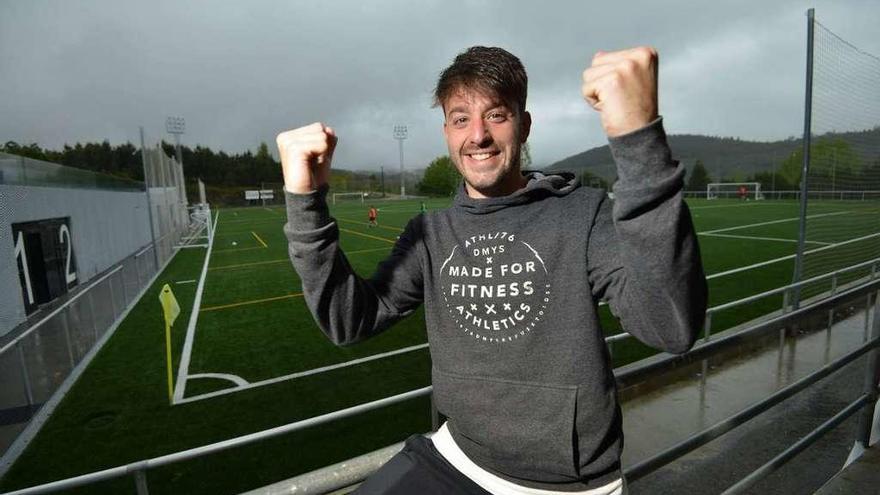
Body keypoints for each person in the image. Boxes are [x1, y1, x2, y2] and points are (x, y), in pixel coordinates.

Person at [277, 46, 707, 495]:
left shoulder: (582, 215)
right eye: (461, 118)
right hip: (458, 455)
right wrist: (304, 199)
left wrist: (638, 139)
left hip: (564, 484)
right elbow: (348, 321)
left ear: (524, 125)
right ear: (446, 132)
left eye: (496, 115)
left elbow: (670, 327)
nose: (477, 134)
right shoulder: (430, 233)